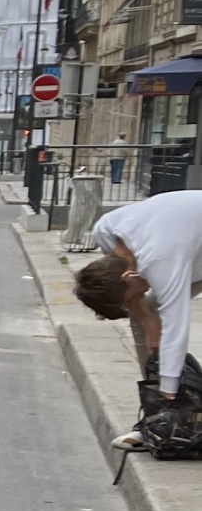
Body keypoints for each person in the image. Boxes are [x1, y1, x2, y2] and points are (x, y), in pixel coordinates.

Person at [73, 187, 202, 448]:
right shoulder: (106, 233)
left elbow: (176, 330)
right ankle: (157, 422)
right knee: (146, 317)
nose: (140, 296)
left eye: (131, 297)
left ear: (126, 276)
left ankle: (166, 413)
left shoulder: (161, 260)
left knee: (166, 326)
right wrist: (147, 320)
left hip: (185, 245)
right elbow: (136, 302)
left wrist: (168, 392)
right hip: (191, 245)